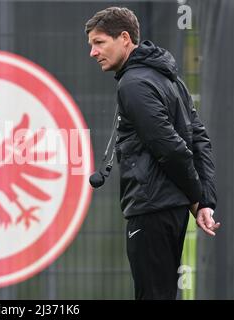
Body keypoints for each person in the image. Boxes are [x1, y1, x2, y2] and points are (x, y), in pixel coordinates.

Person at [85, 7, 220, 300]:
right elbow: (199, 139)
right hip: (168, 210)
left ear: (124, 38)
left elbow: (171, 148)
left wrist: (198, 199)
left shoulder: (133, 85)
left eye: (99, 43)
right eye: (91, 45)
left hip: (151, 211)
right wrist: (204, 199)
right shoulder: (170, 78)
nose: (93, 53)